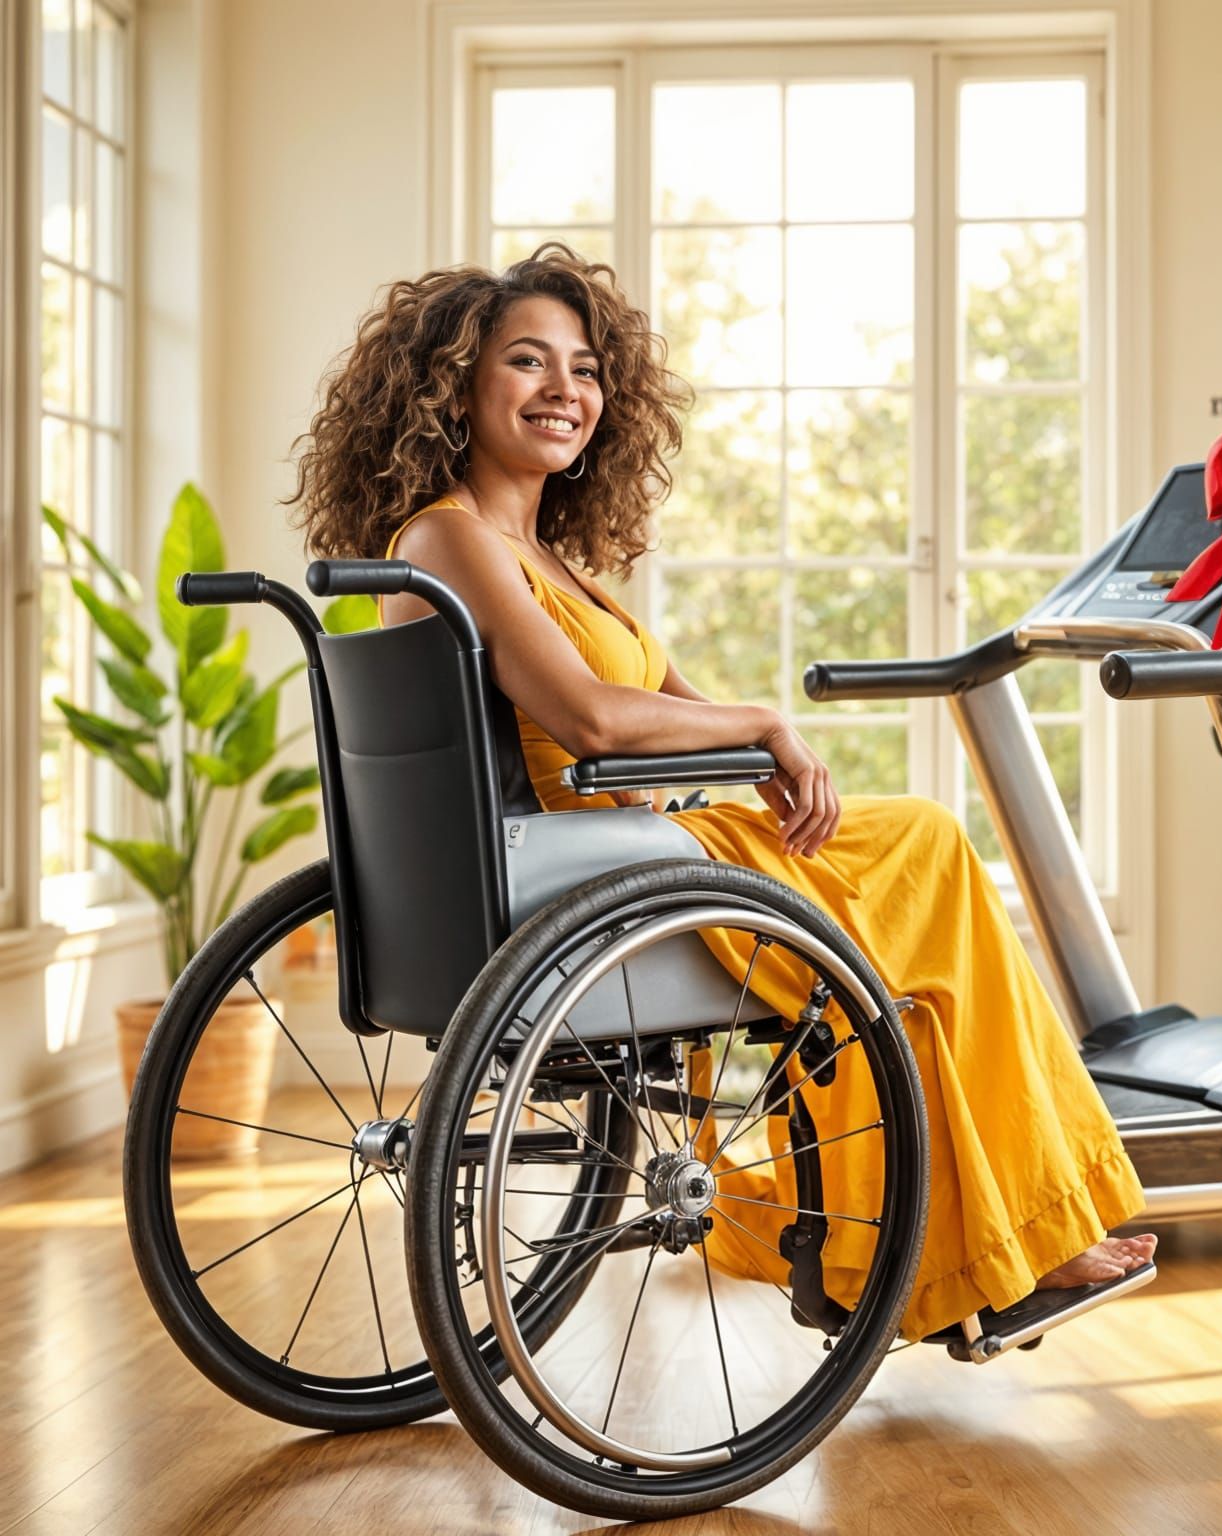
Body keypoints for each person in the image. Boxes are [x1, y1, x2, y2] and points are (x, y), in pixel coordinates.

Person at [288, 243, 1155, 1340]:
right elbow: (593, 721)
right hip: (605, 874)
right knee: (932, 861)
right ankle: (1002, 1236)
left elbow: (671, 704)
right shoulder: (450, 538)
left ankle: (979, 1235)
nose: (567, 391)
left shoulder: (542, 554)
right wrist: (763, 727)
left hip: (636, 851)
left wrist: (749, 739)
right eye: (527, 362)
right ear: (456, 384)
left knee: (922, 879)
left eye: (588, 369)